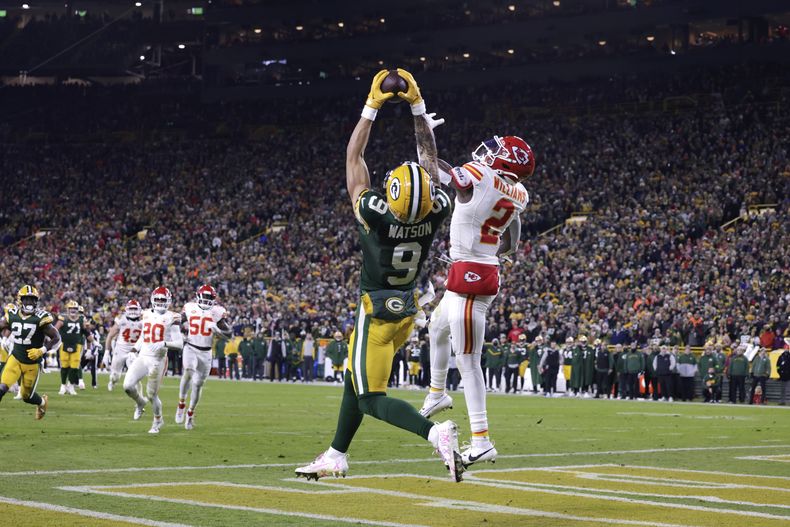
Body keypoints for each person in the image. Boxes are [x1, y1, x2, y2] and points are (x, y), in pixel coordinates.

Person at [296, 69, 462, 482]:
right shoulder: (437, 209)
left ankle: (434, 433)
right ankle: (336, 454)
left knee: (370, 397)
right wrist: (417, 106)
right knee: (354, 381)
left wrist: (372, 106)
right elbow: (429, 163)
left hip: (375, 313)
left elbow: (354, 159)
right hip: (405, 310)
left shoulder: (376, 213)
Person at [420, 123, 534, 468]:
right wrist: (504, 249)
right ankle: (437, 393)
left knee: (468, 360)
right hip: (476, 269)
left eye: (497, 151)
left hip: (471, 277)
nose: (489, 152)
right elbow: (512, 229)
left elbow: (430, 166)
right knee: (436, 326)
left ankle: (482, 441)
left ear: (506, 161)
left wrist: (422, 126)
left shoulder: (481, 175)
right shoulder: (520, 193)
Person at [123, 286, 183, 434]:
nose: (161, 302)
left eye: (163, 300)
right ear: (152, 300)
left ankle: (158, 420)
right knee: (128, 386)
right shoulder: (146, 314)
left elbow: (179, 344)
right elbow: (144, 336)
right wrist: (134, 350)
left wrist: (164, 343)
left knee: (152, 395)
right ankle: (140, 402)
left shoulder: (172, 317)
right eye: (158, 299)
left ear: (168, 301)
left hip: (158, 360)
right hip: (143, 356)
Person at [175, 284, 231, 430]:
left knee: (198, 385)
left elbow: (229, 334)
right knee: (188, 371)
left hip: (206, 352)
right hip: (191, 347)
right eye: (204, 296)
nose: (206, 299)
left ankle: (190, 413)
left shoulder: (217, 311)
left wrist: (218, 330)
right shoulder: (189, 307)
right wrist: (179, 333)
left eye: (209, 297)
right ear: (198, 296)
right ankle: (181, 403)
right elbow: (177, 323)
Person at [0, 285, 60, 419]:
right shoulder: (12, 315)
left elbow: (56, 338)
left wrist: (42, 350)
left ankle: (42, 402)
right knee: (2, 388)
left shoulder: (41, 317)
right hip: (15, 358)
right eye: (26, 299)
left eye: (32, 299)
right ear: (20, 300)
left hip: (32, 363)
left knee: (26, 396)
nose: (29, 302)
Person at [103, 299, 143, 391]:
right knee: (115, 376)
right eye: (131, 309)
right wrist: (106, 353)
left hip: (134, 350)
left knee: (135, 374)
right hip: (120, 350)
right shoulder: (121, 319)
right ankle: (112, 382)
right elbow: (110, 336)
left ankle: (138, 395)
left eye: (135, 309)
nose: (133, 311)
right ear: (127, 309)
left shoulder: (143, 321)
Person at [55, 300, 93, 395]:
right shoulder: (63, 318)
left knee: (75, 366)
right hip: (64, 344)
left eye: (75, 309)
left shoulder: (82, 320)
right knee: (64, 366)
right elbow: (55, 330)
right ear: (67, 309)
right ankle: (63, 385)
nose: (73, 310)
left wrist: (92, 343)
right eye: (71, 308)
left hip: (77, 345)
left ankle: (71, 385)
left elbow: (87, 333)